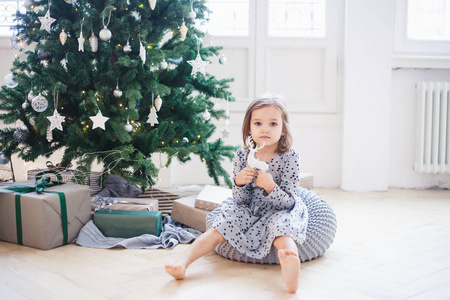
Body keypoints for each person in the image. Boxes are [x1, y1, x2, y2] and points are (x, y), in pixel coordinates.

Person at [165, 95, 307, 293]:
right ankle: (183, 262)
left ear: (283, 129)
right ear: (249, 128)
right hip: (249, 208)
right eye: (258, 123)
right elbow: (240, 200)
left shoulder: (290, 157)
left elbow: (289, 202)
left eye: (273, 123)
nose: (265, 129)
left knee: (281, 228)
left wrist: (270, 187)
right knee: (219, 227)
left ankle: (290, 264)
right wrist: (239, 182)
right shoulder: (242, 155)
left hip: (278, 209)